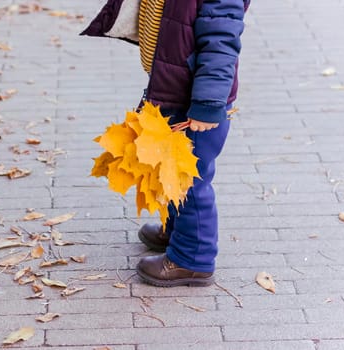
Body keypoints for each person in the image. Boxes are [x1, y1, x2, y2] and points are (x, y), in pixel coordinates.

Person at [81, 0, 250, 287]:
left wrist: (208, 102)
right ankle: (177, 231)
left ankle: (192, 258)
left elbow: (221, 35)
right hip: (172, 84)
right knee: (170, 168)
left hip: (196, 98)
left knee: (190, 179)